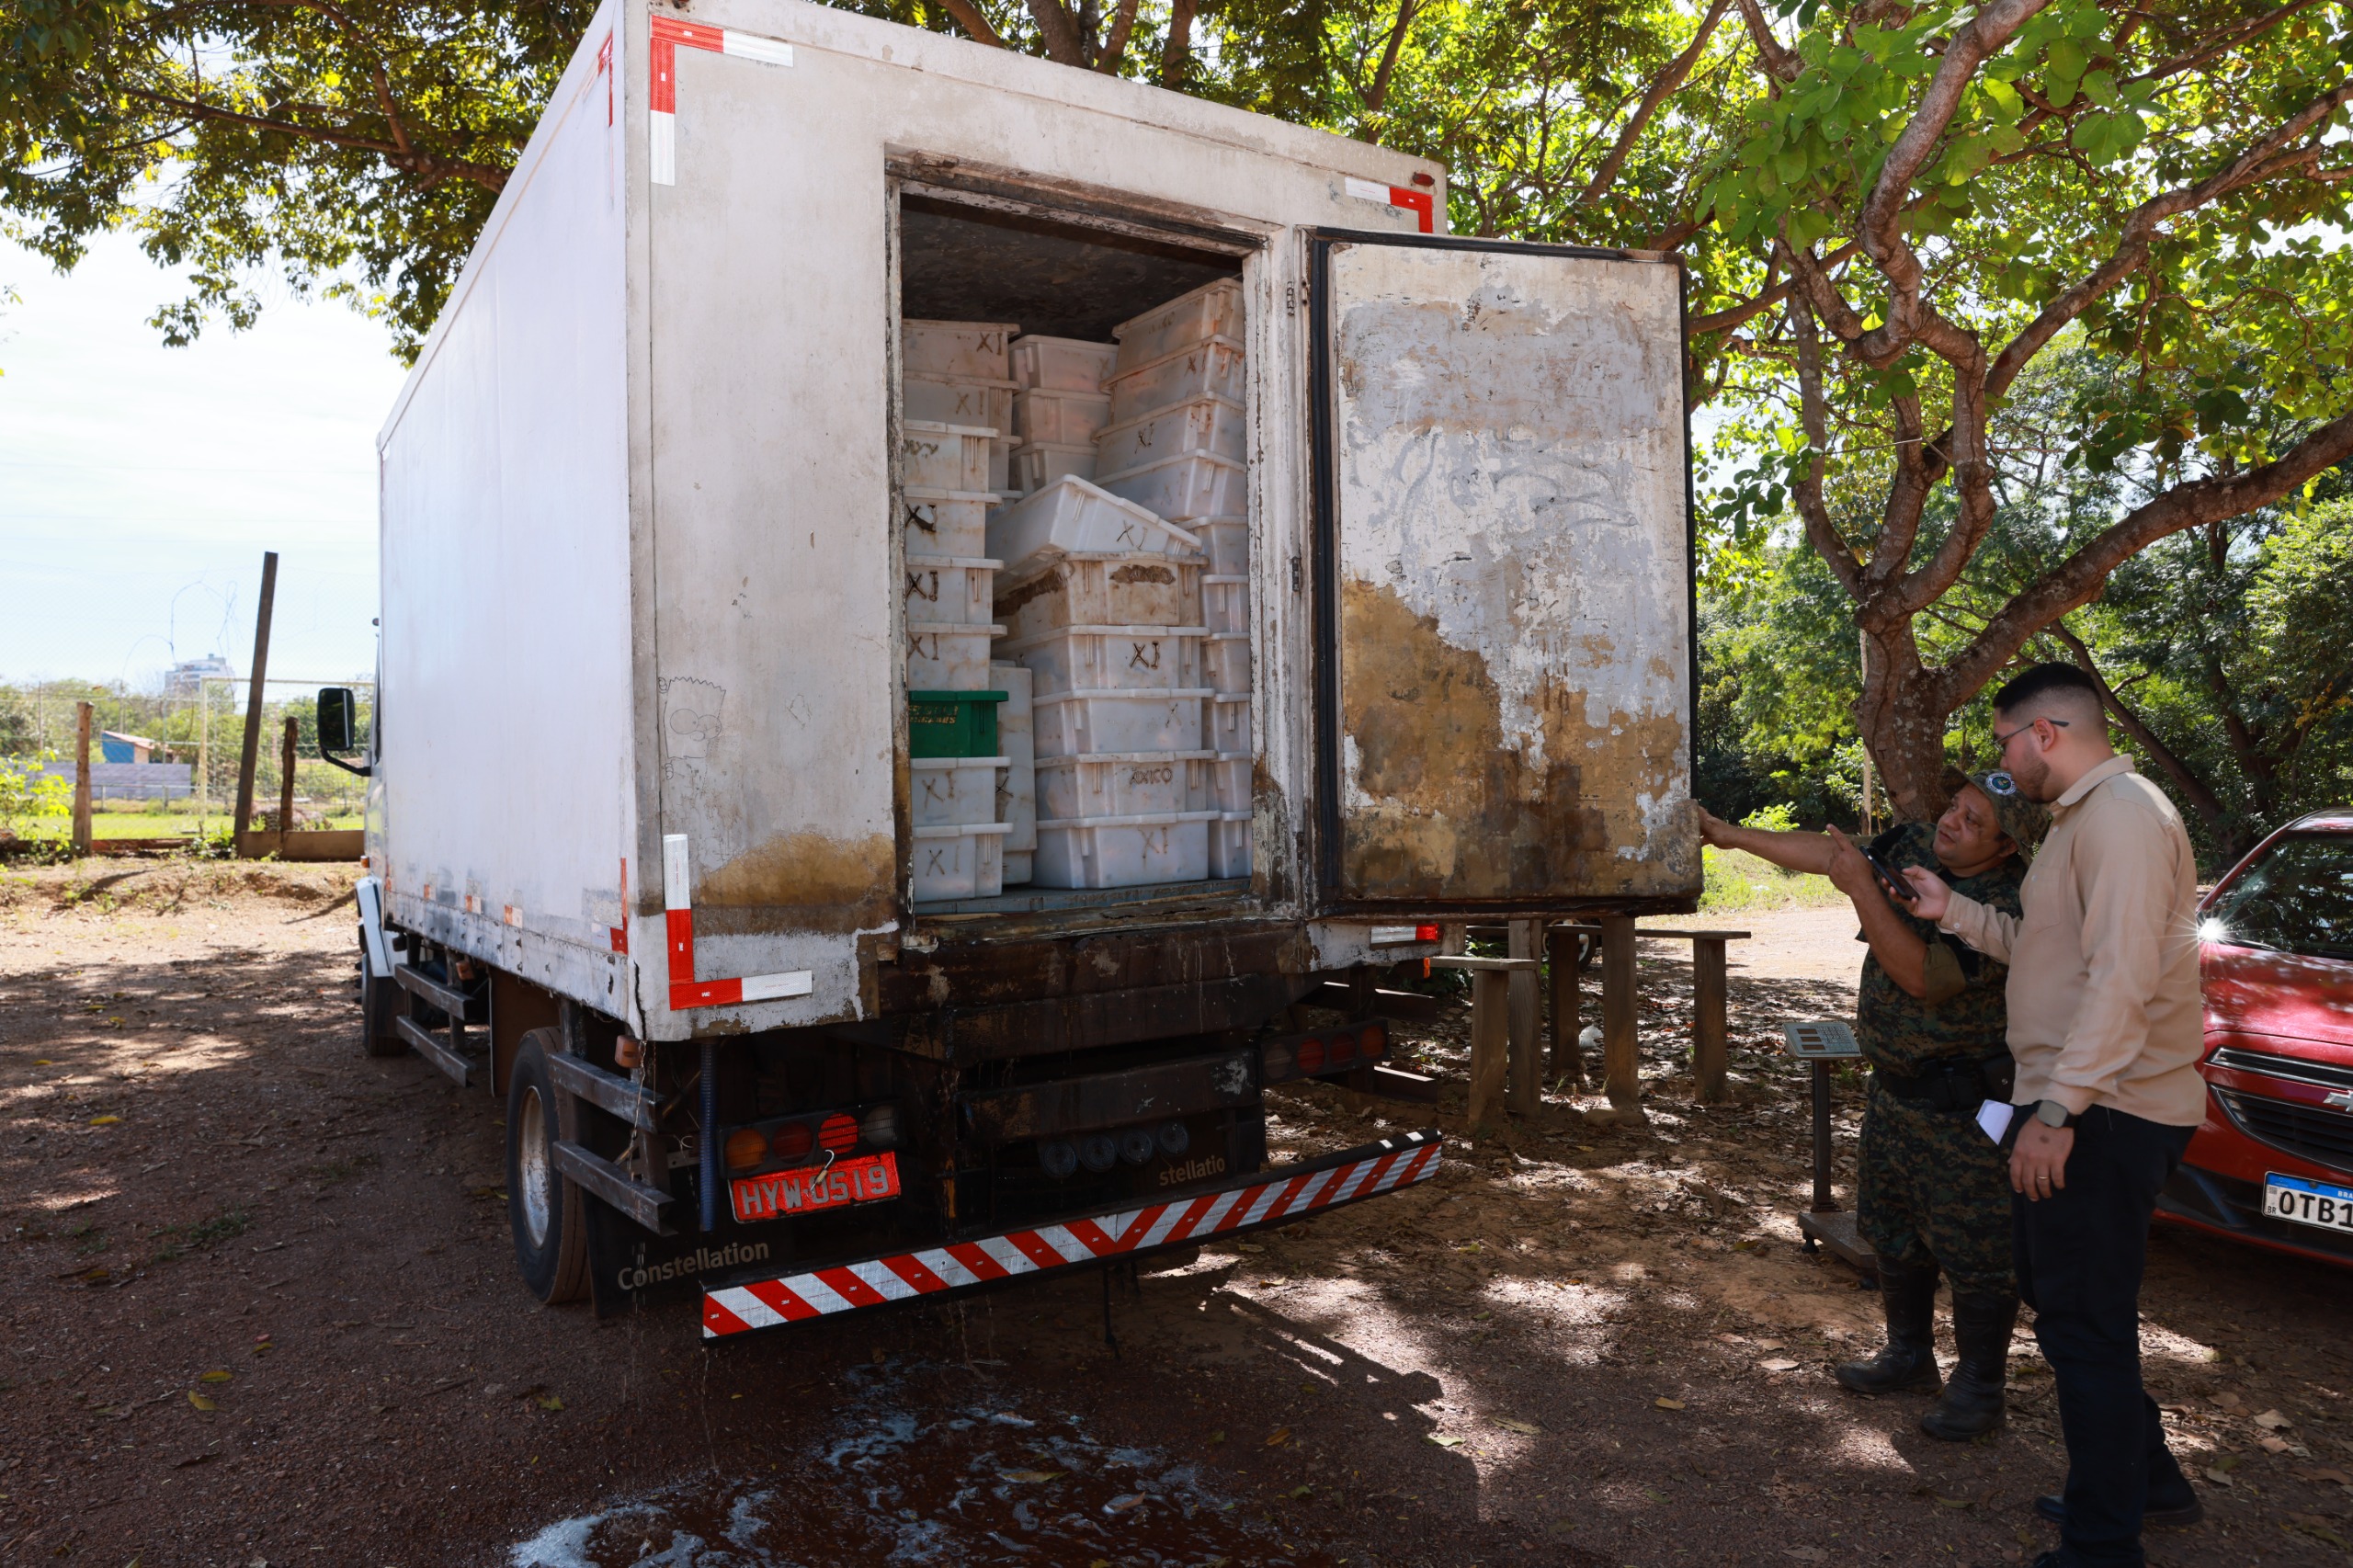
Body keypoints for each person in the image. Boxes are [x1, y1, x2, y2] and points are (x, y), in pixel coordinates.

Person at [1902, 663, 2207, 1568]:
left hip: (2103, 1110)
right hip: (2079, 1100)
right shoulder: (2080, 822)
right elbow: (2043, 948)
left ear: (2043, 733)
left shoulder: (2119, 817)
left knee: (2083, 1322)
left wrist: (2056, 1108)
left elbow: (2123, 978)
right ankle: (2143, 1479)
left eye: (2002, 742)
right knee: (2065, 1300)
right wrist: (1950, 908)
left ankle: (2103, 1542)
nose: (2000, 763)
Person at [1699, 772, 2046, 1440]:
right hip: (1896, 1091)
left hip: (1967, 1110)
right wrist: (1728, 835)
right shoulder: (1919, 841)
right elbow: (1835, 854)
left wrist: (1862, 889)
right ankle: (1909, 1353)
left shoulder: (2007, 903)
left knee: (1976, 1250)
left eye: (1974, 822)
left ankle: (1981, 1386)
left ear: (2006, 849)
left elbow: (1922, 977)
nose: (1951, 822)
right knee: (1892, 1228)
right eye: (1955, 806)